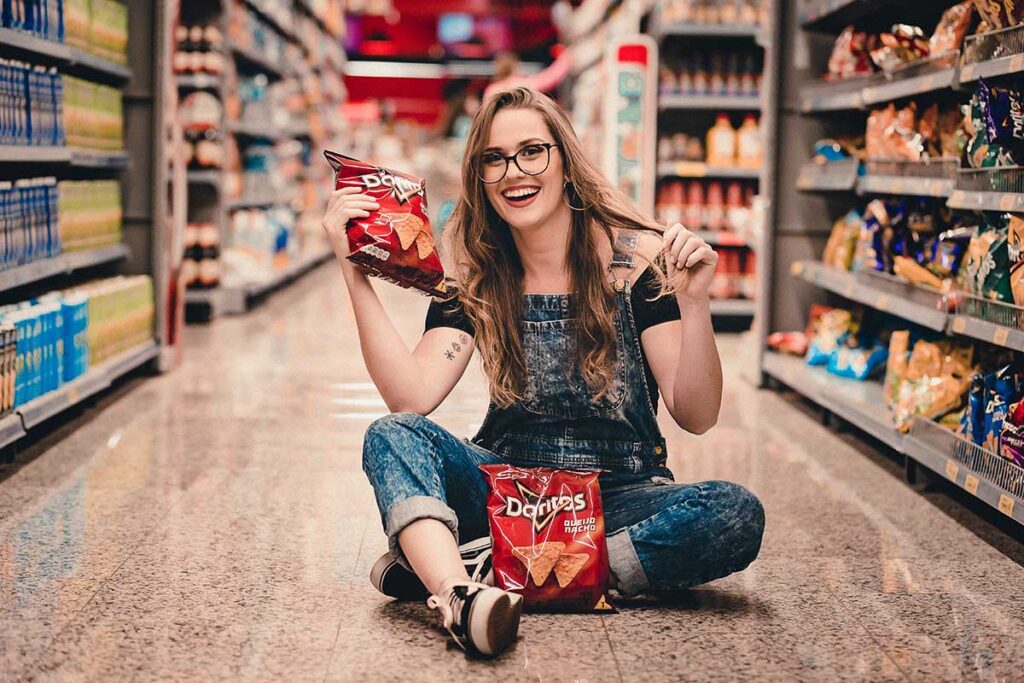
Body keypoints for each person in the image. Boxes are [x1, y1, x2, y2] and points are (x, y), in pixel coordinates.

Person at [321, 86, 765, 657]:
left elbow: (697, 414)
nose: (514, 172)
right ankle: (460, 593)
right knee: (392, 436)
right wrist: (354, 270)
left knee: (733, 513)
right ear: (479, 175)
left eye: (532, 151)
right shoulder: (478, 275)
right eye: (494, 158)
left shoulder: (637, 263)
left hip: (616, 493)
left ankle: (492, 565)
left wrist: (696, 302)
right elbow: (410, 397)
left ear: (565, 160)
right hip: (506, 486)